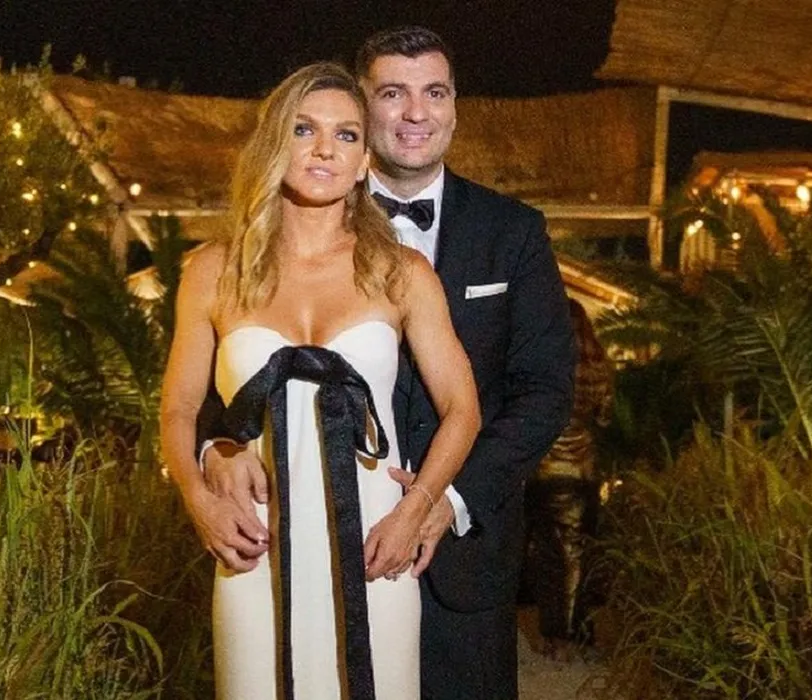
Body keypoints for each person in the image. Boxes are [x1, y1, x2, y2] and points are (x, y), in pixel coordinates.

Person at [203, 26, 576, 700]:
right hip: (306, 543)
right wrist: (216, 449)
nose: (415, 113)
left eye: (435, 93)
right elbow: (225, 370)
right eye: (393, 93)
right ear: (361, 107)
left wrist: (444, 501)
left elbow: (544, 392)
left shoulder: (513, 231)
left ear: (455, 105)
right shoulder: (289, 221)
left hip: (463, 553)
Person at [159, 61, 481, 700]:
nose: (325, 149)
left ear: (364, 163)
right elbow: (178, 408)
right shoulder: (213, 271)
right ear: (274, 144)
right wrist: (199, 500)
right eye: (304, 129)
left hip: (374, 543)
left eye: (347, 135)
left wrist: (416, 509)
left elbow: (462, 408)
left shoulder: (402, 272)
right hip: (255, 541)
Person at [523, 298, 613, 660]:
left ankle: (557, 636)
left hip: (546, 473)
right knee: (579, 556)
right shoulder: (599, 368)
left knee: (549, 558)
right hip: (584, 473)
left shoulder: (546, 364)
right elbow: (605, 418)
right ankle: (580, 634)